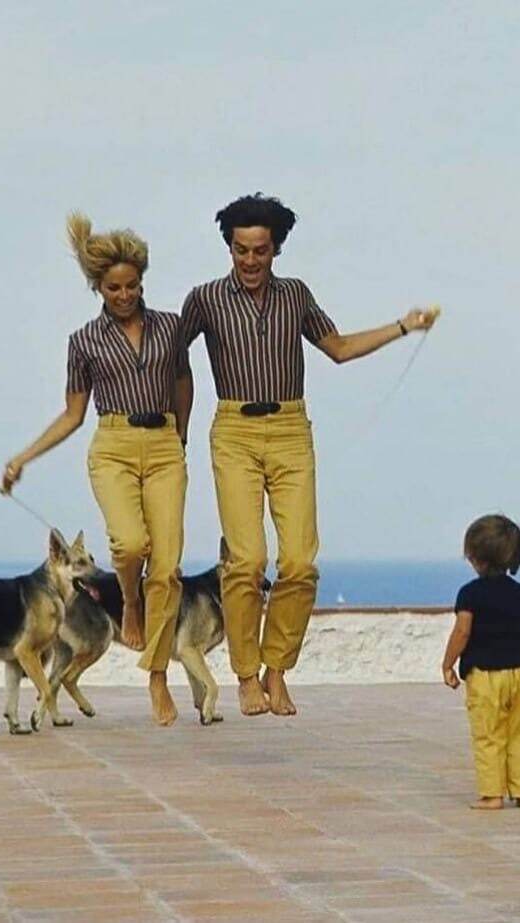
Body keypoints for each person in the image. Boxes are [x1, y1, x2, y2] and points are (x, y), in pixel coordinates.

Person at [176, 193, 439, 718]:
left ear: (276, 250)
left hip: (292, 428)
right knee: (246, 559)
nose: (250, 261)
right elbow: (169, 355)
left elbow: (337, 348)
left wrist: (403, 326)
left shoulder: (295, 294)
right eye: (241, 250)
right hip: (233, 430)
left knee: (298, 561)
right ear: (228, 248)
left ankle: (277, 670)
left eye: (261, 251)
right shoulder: (204, 298)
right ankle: (246, 675)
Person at [0, 213, 187, 726]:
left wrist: (182, 437)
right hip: (114, 443)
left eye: (132, 286)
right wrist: (23, 457)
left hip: (166, 443)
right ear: (97, 288)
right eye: (113, 288)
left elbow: (184, 381)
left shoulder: (171, 326)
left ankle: (156, 677)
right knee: (129, 546)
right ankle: (128, 602)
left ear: (142, 282)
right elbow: (72, 414)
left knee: (167, 567)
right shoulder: (84, 341)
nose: (124, 295)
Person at [441, 514, 520, 809]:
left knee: (489, 735)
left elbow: (462, 631)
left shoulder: (470, 594)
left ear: (475, 557)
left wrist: (448, 664)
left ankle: (492, 794)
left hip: (485, 676)